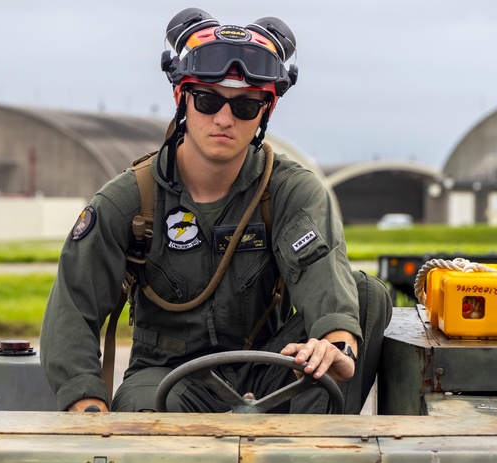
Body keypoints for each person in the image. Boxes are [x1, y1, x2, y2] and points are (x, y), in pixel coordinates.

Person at [40, 8, 391, 414]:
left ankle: (313, 462)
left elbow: (322, 275)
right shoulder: (130, 200)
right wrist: (87, 408)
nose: (224, 119)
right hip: (170, 378)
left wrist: (335, 343)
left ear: (266, 111)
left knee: (366, 294)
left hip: (271, 368)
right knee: (144, 415)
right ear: (180, 98)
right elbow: (73, 308)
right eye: (207, 100)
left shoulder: (290, 191)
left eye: (245, 107)